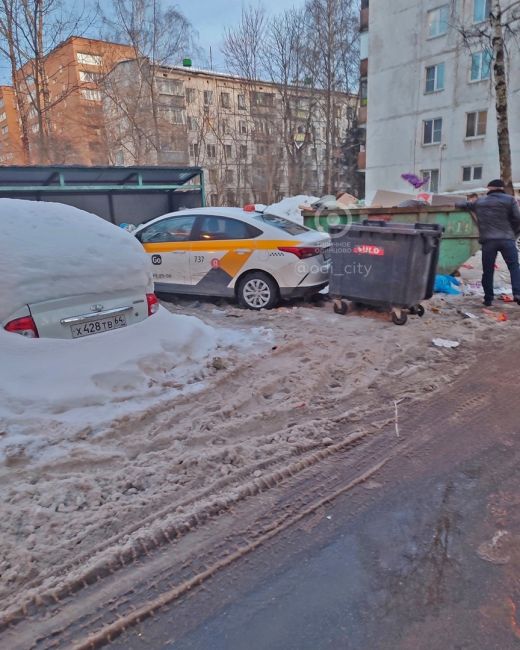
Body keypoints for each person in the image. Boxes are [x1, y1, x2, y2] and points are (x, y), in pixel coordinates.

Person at [456, 179, 520, 306]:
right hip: (507, 239)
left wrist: (460, 203)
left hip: (488, 241)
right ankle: (517, 294)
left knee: (488, 270)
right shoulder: (510, 200)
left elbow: (461, 204)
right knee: (514, 267)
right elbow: (518, 219)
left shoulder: (479, 201)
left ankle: (488, 299)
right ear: (501, 188)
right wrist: (512, 233)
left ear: (489, 189)